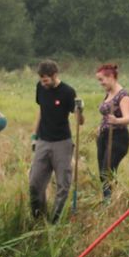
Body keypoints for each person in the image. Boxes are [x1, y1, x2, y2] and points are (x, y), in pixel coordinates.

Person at [29, 60, 77, 221]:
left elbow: (80, 120)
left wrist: (80, 110)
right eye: (41, 80)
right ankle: (38, 217)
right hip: (43, 140)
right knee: (34, 182)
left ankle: (55, 220)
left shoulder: (68, 92)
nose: (43, 83)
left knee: (63, 184)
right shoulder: (40, 88)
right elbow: (40, 111)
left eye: (46, 80)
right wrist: (34, 136)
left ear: (55, 75)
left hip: (62, 142)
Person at [94, 64, 129, 201]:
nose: (100, 83)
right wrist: (100, 127)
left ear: (111, 77)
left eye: (101, 79)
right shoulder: (109, 93)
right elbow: (105, 116)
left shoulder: (124, 95)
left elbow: (127, 118)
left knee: (107, 171)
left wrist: (116, 121)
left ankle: (111, 202)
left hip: (117, 137)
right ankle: (110, 199)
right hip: (104, 137)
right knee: (102, 172)